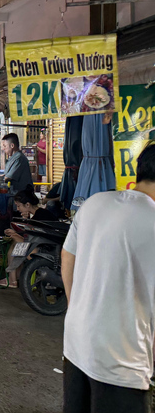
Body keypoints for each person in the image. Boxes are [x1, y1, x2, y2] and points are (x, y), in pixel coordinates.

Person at [61, 144, 155, 413]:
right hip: (123, 359)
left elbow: (68, 257)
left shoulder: (95, 202)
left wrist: (77, 307)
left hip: (78, 343)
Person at [0, 188, 58, 288]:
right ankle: (13, 278)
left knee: (16, 244)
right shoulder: (40, 214)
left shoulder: (40, 217)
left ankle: (12, 280)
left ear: (27, 205)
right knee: (16, 243)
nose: (18, 209)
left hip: (46, 250)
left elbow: (34, 238)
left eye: (19, 206)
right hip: (45, 246)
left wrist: (15, 234)